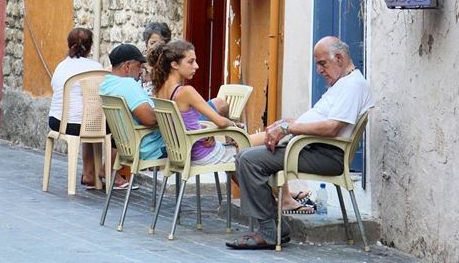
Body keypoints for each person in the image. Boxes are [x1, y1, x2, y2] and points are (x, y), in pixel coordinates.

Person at [225, 36, 375, 251]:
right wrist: (285, 124)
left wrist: (288, 128)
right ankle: (274, 225)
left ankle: (269, 230)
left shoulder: (353, 85)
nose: (319, 70)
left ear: (339, 58)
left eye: (322, 63)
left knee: (249, 160)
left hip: (324, 154)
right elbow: (320, 120)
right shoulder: (344, 83)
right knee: (244, 156)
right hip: (310, 147)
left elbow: (333, 128)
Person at [147, 38, 313, 212]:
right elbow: (220, 121)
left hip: (187, 152)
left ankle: (276, 198)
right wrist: (236, 126)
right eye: (191, 61)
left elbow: (181, 124)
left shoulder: (159, 91)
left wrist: (204, 130)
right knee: (271, 137)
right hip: (205, 153)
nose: (196, 66)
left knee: (242, 155)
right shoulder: (186, 91)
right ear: (174, 64)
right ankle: (284, 198)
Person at [48, 27, 108, 189]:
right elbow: (101, 95)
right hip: (78, 124)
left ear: (69, 45)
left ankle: (89, 174)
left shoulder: (61, 66)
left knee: (88, 122)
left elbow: (54, 87)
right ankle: (108, 173)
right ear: (89, 47)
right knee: (109, 125)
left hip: (56, 122)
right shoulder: (95, 67)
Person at [99, 43, 165, 161]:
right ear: (128, 66)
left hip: (126, 147)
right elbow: (149, 119)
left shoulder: (106, 86)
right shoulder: (128, 84)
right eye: (139, 66)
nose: (140, 71)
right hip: (150, 148)